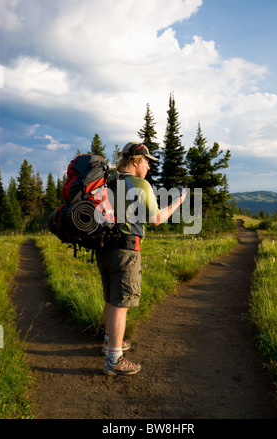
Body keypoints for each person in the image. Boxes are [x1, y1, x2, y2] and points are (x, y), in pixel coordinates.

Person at [96, 141, 186, 376]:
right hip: (126, 250)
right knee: (121, 304)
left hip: (103, 249)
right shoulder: (140, 184)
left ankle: (109, 342)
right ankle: (114, 358)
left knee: (110, 298)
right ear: (135, 161)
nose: (148, 167)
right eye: (146, 162)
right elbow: (155, 219)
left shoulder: (107, 182)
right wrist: (178, 202)